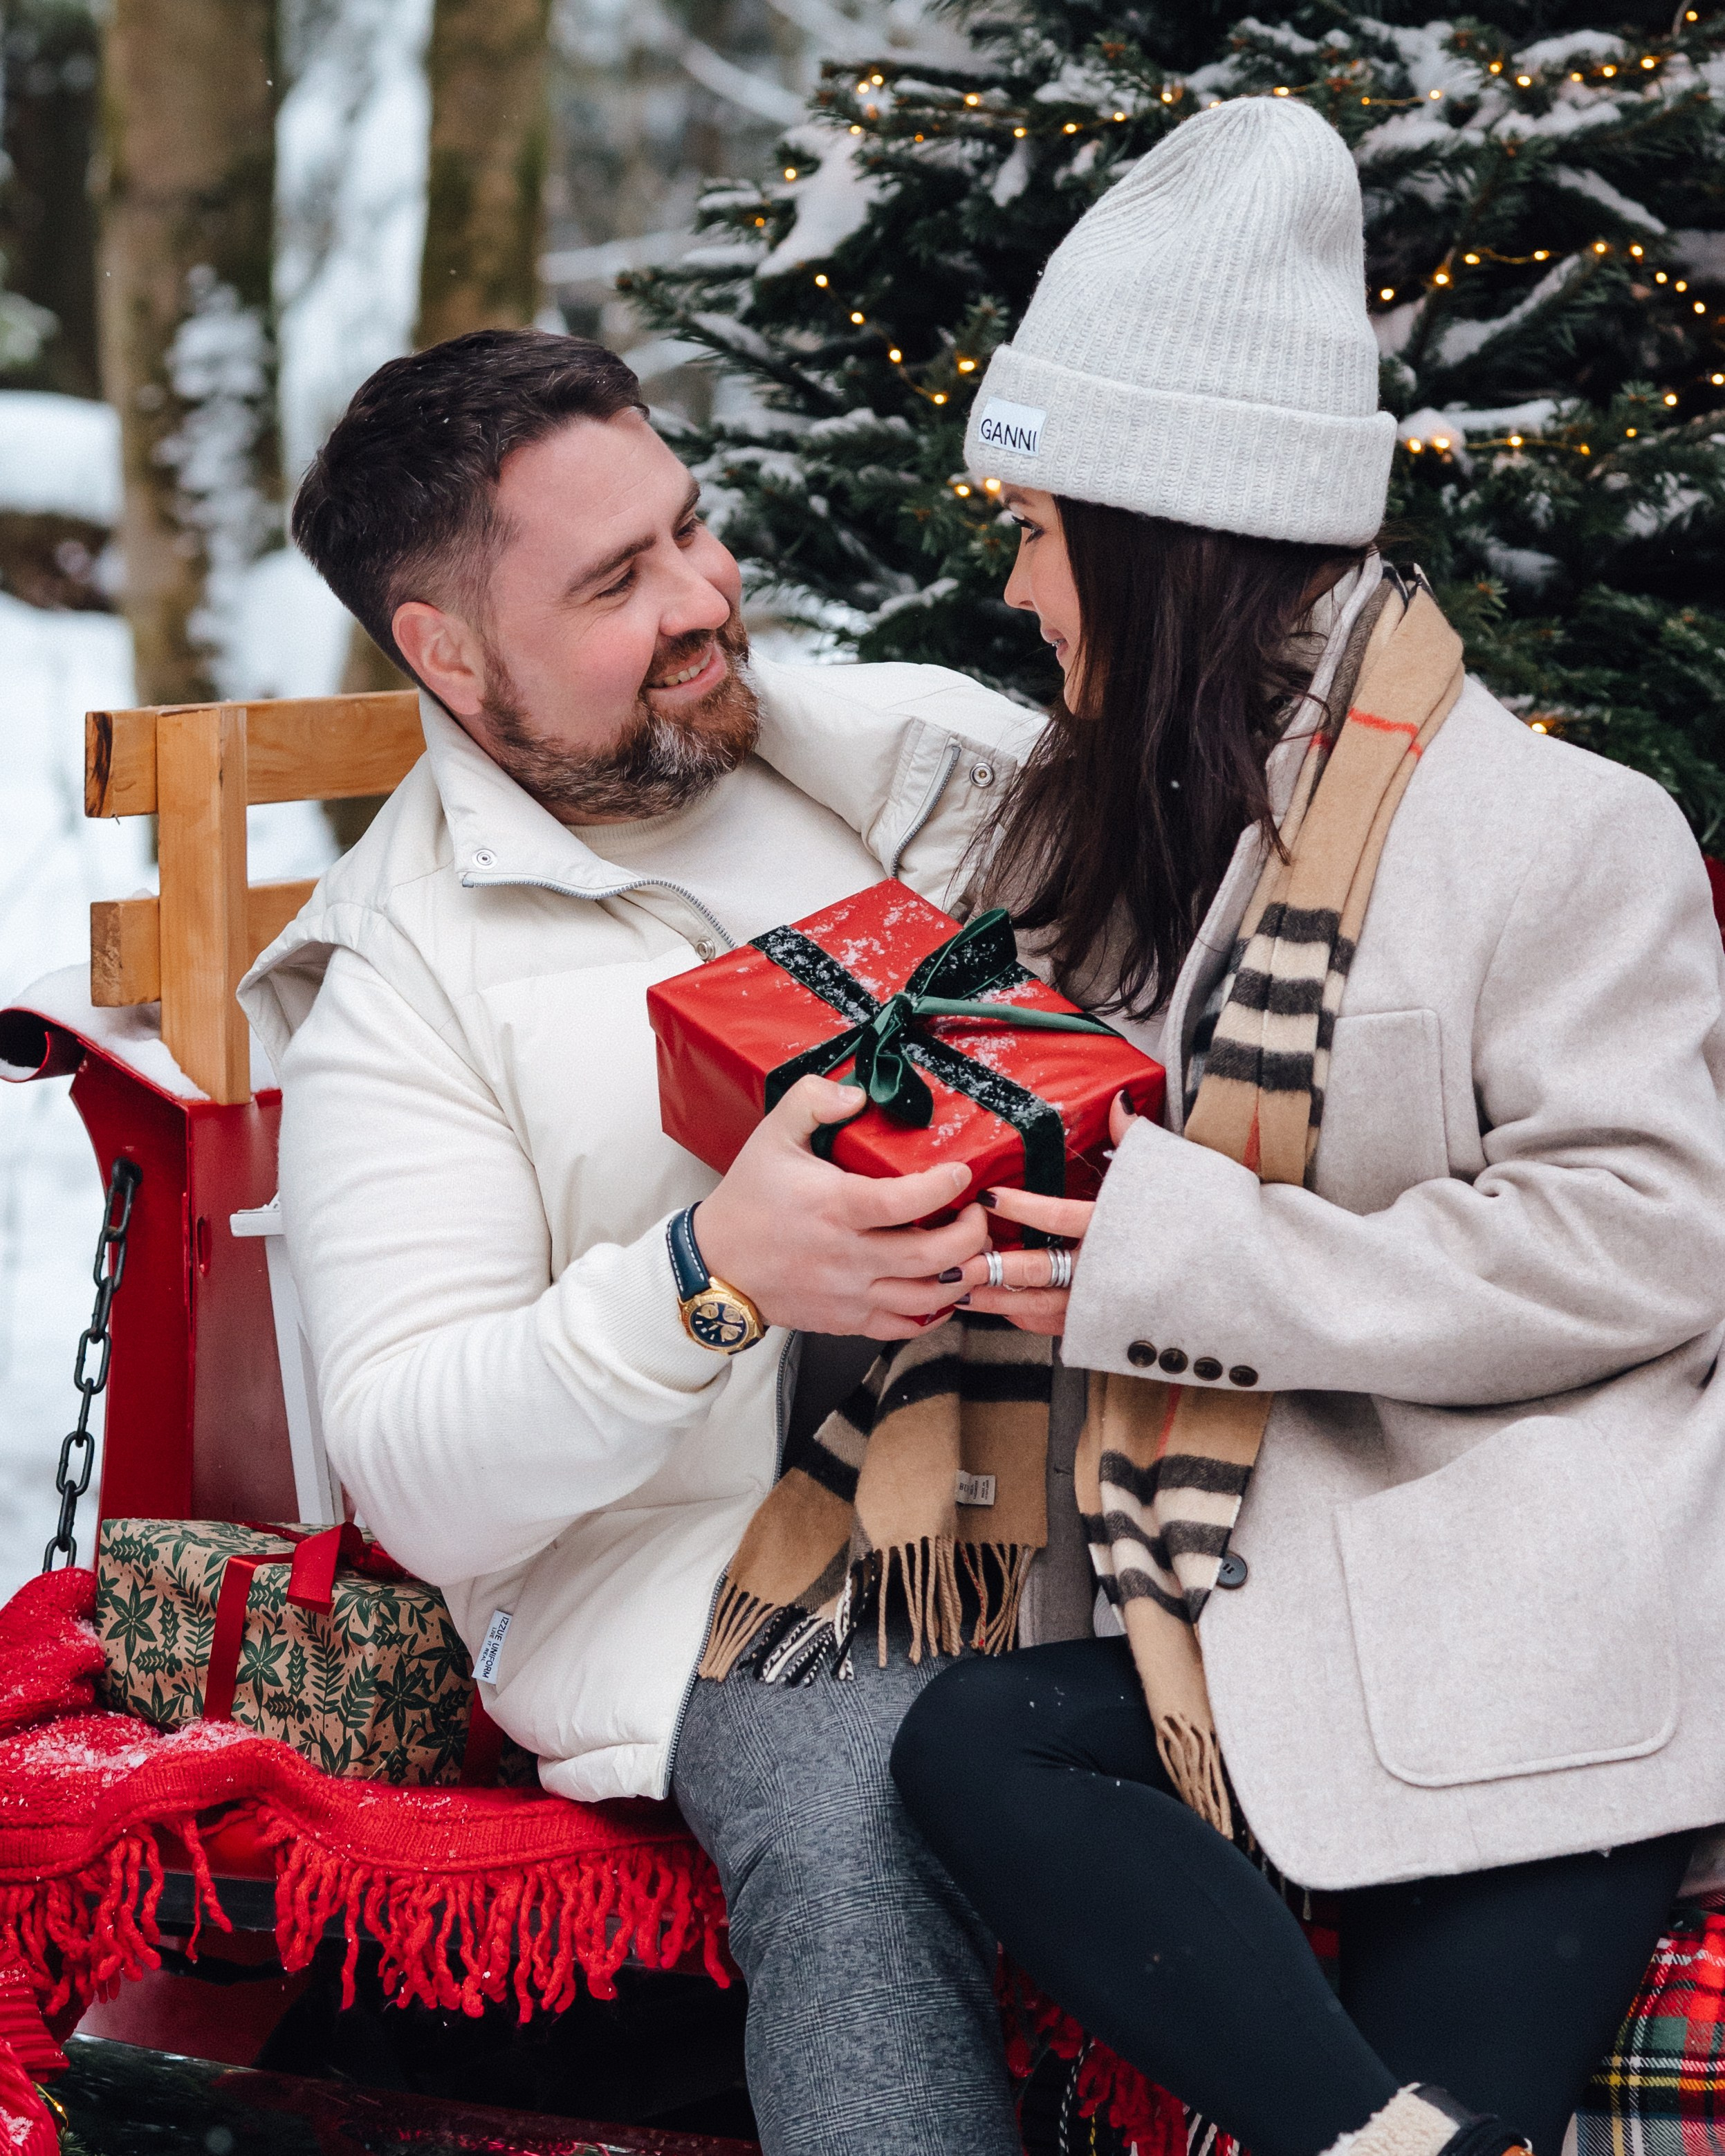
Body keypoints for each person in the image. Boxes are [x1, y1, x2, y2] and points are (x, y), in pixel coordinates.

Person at [884, 95, 1725, 2156]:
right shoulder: (1129, 833)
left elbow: (1653, 1232)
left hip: (1541, 1586)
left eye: (1038, 531)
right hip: (1278, 1594)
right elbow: (853, 737)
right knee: (976, 1748)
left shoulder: (1553, 831)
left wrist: (1193, 1270)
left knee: (1435, 2065)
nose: (1014, 587)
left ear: (1161, 537)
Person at [237, 328, 1038, 2156]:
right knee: (861, 1794)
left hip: (1078, 1463)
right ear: (445, 650)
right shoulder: (405, 984)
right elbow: (416, 1469)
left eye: (692, 528)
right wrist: (710, 1280)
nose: (703, 600)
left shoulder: (890, 765)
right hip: (722, 1579)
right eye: (617, 581)